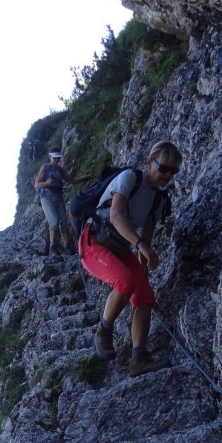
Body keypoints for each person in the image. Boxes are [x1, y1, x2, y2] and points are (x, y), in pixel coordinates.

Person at [79, 141, 183, 377]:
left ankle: (138, 358)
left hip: (119, 247)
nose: (167, 175)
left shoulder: (158, 199)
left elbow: (146, 232)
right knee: (124, 282)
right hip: (94, 240)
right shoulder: (128, 178)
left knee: (145, 295)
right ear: (148, 162)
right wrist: (141, 246)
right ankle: (103, 331)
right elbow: (115, 216)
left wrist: (143, 263)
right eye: (163, 168)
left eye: (173, 171)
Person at [34, 149, 90, 255]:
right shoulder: (45, 167)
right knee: (54, 221)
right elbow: (37, 184)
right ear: (50, 157)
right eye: (55, 158)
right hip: (46, 198)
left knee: (64, 222)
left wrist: (85, 178)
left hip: (59, 197)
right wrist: (46, 183)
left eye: (58, 158)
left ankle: (68, 246)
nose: (56, 160)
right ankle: (53, 247)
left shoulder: (60, 170)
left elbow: (72, 180)